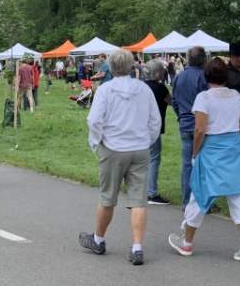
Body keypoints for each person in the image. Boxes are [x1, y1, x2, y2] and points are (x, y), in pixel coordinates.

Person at [168, 57, 240, 263]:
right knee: (237, 198)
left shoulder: (204, 98)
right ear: (226, 76)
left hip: (212, 150)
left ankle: (187, 242)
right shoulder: (235, 96)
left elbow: (200, 129)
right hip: (233, 148)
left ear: (206, 76)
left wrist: (195, 153)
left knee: (200, 195)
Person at [80, 49, 161, 265]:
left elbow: (94, 120)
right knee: (138, 200)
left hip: (113, 147)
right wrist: (147, 140)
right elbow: (155, 120)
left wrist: (97, 141)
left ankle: (98, 239)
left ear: (111, 68)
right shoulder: (143, 89)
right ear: (132, 66)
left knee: (107, 196)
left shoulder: (106, 90)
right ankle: (137, 246)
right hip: (139, 147)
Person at [171, 46, 208, 206]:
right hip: (200, 124)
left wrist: (180, 116)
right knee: (204, 164)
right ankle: (202, 201)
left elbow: (174, 100)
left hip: (185, 123)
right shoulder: (203, 77)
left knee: (187, 165)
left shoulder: (179, 77)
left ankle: (187, 201)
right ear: (203, 59)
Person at [143, 59, 172, 205]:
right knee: (154, 159)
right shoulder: (161, 88)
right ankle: (151, 193)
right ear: (157, 72)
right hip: (153, 128)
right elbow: (172, 102)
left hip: (138, 127)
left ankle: (141, 189)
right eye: (161, 70)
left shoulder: (140, 86)